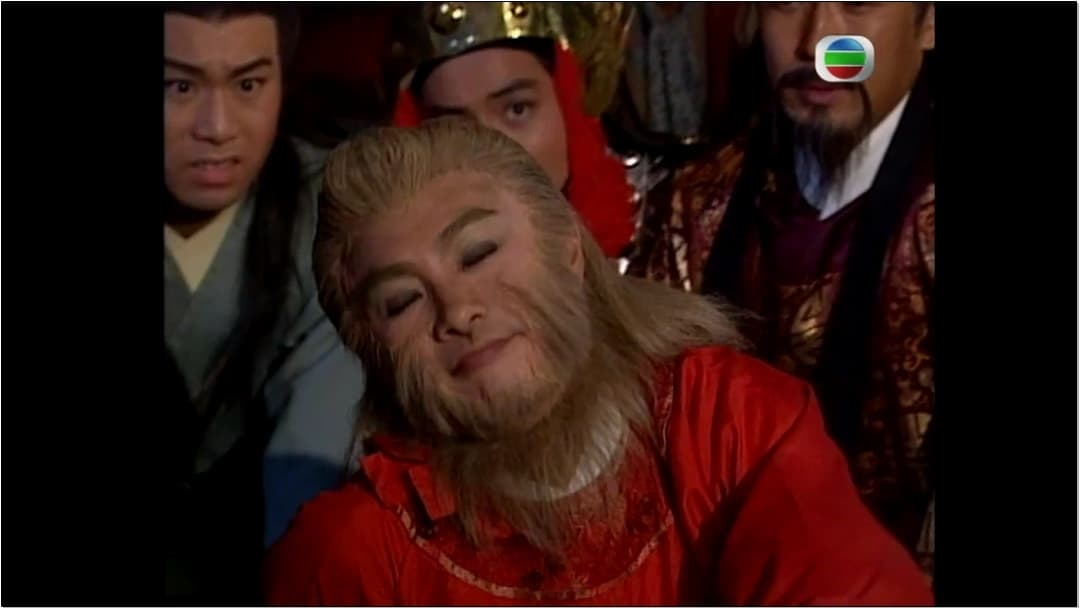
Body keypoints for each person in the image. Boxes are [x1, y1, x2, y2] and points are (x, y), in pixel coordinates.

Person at [262, 119, 933, 605]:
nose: (458, 310)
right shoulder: (351, 558)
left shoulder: (729, 424)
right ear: (370, 350)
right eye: (403, 300)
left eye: (479, 253)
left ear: (567, 249)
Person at [627, 2, 936, 574]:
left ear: (930, 22)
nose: (817, 44)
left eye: (857, 4)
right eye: (786, 2)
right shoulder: (698, 201)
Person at [164, 3, 365, 600]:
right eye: (179, 86)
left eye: (249, 84)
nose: (217, 127)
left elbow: (312, 456)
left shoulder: (327, 216)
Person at [388, 2, 637, 260]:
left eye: (517, 110)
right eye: (454, 128)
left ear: (569, 107)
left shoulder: (658, 243)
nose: (492, 153)